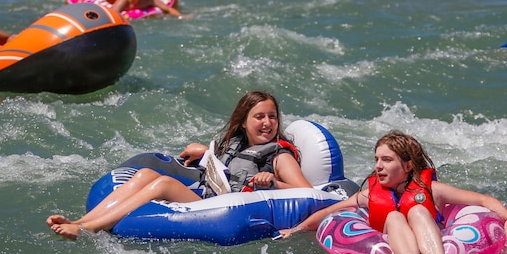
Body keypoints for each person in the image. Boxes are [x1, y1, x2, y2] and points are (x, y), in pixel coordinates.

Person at [46, 90, 313, 239]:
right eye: (259, 117)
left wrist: (273, 182)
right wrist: (206, 154)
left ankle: (89, 229)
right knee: (146, 173)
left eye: (272, 117)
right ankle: (81, 220)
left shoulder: (279, 156)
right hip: (212, 195)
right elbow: (227, 170)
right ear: (243, 121)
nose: (267, 123)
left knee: (163, 183)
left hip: (228, 208)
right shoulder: (239, 144)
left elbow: (307, 194)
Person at [279, 131, 507, 254]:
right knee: (393, 217)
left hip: (437, 239)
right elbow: (330, 212)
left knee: (416, 210)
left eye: (387, 160)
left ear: (407, 166)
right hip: (396, 245)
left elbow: (483, 201)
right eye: (376, 160)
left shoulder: (433, 191)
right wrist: (296, 229)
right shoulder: (369, 195)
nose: (378, 167)